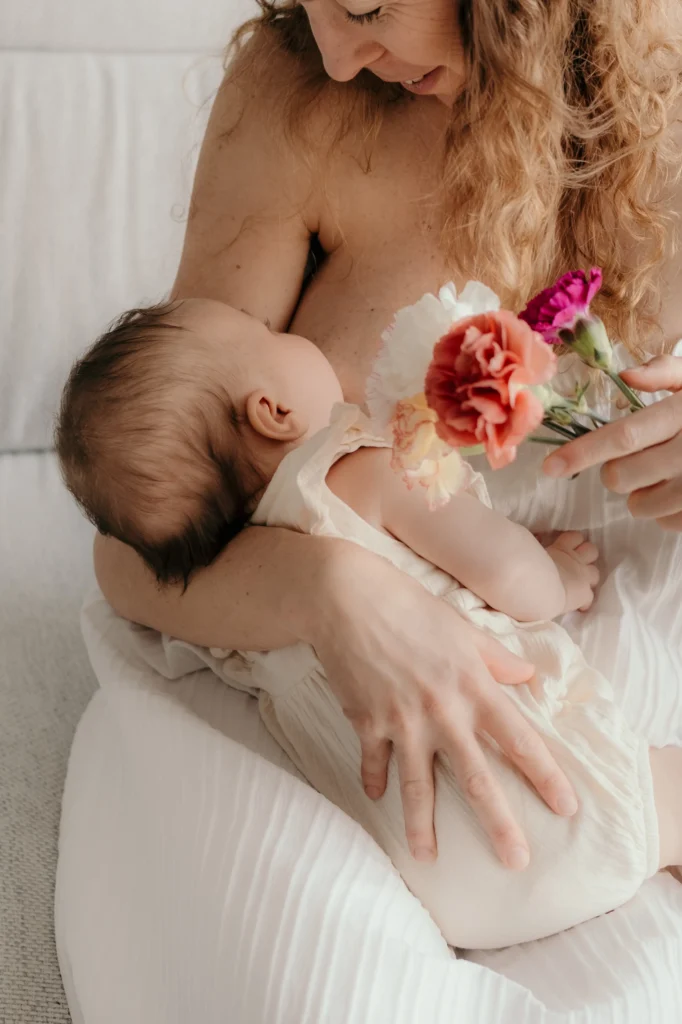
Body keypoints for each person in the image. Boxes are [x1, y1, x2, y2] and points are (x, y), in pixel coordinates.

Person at [93, 0, 682, 872]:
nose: (336, 56)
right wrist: (332, 593)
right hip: (314, 648)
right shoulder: (299, 98)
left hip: (633, 613)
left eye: (367, 7)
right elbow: (138, 545)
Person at [55, 295, 680, 947]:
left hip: (453, 887)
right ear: (271, 412)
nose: (288, 330)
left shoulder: (234, 608)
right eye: (267, 328)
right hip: (557, 794)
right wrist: (561, 576)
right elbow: (511, 577)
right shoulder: (359, 473)